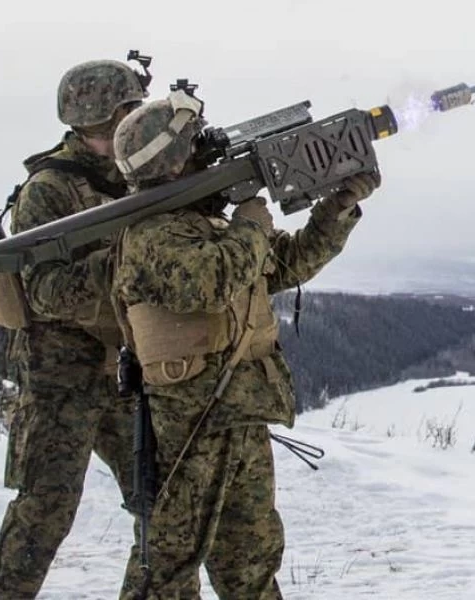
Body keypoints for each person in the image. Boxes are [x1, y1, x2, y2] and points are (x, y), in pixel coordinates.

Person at [107, 91, 378, 599]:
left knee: (251, 556)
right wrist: (252, 223)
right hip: (191, 422)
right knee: (168, 562)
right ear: (172, 160)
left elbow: (288, 263)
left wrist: (336, 209)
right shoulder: (151, 235)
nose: (205, 149)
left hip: (242, 411)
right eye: (194, 143)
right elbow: (212, 281)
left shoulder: (209, 224)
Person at [0, 58, 148, 599]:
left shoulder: (138, 172)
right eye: (122, 116)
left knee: (161, 502)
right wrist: (128, 266)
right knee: (43, 514)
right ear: (92, 121)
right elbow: (44, 292)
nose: (131, 125)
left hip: (122, 371)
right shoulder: (49, 189)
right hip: (59, 377)